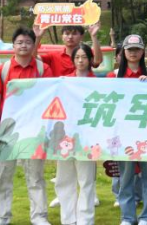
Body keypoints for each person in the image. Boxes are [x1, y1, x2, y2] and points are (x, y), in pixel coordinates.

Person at [0, 27, 54, 225]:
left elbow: (49, 101)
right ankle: (1, 217)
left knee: (36, 178)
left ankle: (39, 216)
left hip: (33, 132)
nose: (24, 46)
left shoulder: (43, 69)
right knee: (1, 179)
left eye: (28, 42)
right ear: (13, 45)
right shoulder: (2, 70)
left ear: (34, 45)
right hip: (6, 132)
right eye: (19, 42)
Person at [108, 34, 147, 225]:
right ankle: (127, 217)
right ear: (123, 52)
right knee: (126, 177)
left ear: (142, 51)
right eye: (130, 49)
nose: (133, 53)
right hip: (123, 135)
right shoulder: (114, 75)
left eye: (137, 49)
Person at [54, 44, 98, 225]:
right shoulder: (64, 81)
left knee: (86, 180)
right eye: (77, 57)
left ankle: (85, 220)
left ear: (90, 60)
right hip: (65, 137)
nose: (80, 61)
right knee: (64, 179)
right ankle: (68, 219)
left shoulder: (98, 83)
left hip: (88, 138)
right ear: (72, 60)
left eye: (84, 57)